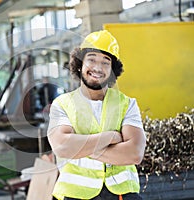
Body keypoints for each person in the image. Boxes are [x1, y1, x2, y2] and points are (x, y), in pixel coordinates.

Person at [47, 30, 146, 200]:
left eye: (106, 62)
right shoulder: (62, 104)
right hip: (75, 195)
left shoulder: (127, 104)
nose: (98, 68)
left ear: (113, 69)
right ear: (80, 64)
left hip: (122, 194)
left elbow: (134, 153)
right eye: (91, 59)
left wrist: (79, 147)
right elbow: (62, 147)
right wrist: (111, 137)